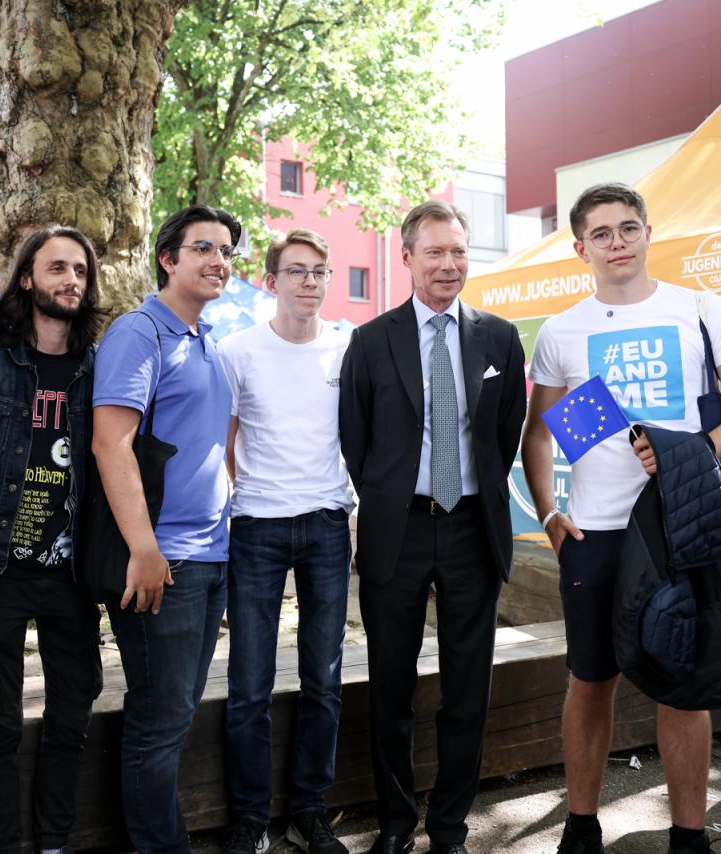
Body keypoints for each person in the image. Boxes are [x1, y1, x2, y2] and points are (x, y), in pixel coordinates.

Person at [520, 182, 721, 854]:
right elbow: (542, 433)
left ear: (647, 233)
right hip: (596, 530)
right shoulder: (564, 330)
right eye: (601, 233)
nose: (617, 242)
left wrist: (688, 453)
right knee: (590, 680)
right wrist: (549, 510)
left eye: (628, 228)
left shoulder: (697, 308)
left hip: (680, 527)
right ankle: (581, 827)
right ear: (580, 248)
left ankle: (688, 836)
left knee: (684, 685)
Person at [339, 199, 527, 854]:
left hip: (474, 528)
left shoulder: (499, 338)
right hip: (400, 531)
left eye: (458, 252)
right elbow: (356, 441)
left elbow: (505, 434)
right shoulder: (370, 340)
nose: (448, 265)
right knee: (390, 687)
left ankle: (449, 827)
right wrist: (394, 499)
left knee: (467, 690)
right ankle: (395, 824)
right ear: (408, 257)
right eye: (435, 252)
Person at [91, 204, 237, 854]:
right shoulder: (139, 332)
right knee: (160, 719)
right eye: (203, 247)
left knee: (173, 715)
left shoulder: (204, 338)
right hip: (163, 561)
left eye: (226, 250)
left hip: (211, 558)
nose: (218, 261)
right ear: (167, 258)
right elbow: (109, 444)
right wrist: (144, 548)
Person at [0, 225, 109, 854]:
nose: (70, 280)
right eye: (56, 268)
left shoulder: (100, 367)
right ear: (28, 279)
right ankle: (3, 844)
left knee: (70, 720)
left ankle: (52, 842)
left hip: (71, 573)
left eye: (79, 270)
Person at [217, 228, 353, 854]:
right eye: (296, 271)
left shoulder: (347, 347)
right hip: (256, 527)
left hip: (327, 524)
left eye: (319, 272)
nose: (310, 282)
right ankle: (249, 817)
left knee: (323, 681)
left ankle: (309, 811)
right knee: (249, 684)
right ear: (271, 282)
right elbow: (224, 440)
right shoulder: (237, 350)